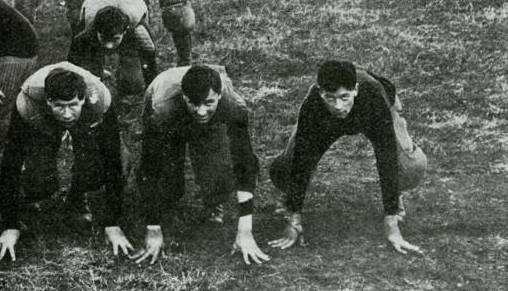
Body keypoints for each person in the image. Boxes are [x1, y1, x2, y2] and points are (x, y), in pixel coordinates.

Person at [268, 60, 427, 255]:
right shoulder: (313, 106)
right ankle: (289, 197)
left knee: (409, 166)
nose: (338, 105)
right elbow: (302, 159)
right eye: (330, 97)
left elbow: (387, 157)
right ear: (320, 93)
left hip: (375, 107)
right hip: (326, 122)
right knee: (286, 167)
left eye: (344, 97)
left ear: (356, 90)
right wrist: (294, 219)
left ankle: (396, 195)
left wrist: (391, 223)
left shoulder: (374, 99)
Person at [0, 64, 130, 262]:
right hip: (41, 117)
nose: (66, 114)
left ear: (82, 99)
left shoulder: (99, 99)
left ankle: (77, 199)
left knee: (102, 166)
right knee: (39, 179)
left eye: (72, 105)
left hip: (87, 114)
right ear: (48, 101)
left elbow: (113, 158)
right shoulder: (28, 102)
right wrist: (10, 225)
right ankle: (23, 205)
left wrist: (112, 223)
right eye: (60, 106)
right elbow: (11, 162)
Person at [132, 65, 268, 266]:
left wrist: (245, 230)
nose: (202, 111)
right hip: (166, 103)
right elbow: (150, 165)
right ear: (185, 97)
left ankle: (214, 203)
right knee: (169, 186)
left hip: (205, 111)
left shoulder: (234, 106)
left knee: (219, 174)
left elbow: (245, 163)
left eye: (208, 102)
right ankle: (162, 203)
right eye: (194, 103)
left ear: (220, 96)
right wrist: (153, 227)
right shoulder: (162, 108)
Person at [67, 0, 159, 99]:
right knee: (91, 78)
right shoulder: (88, 29)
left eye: (115, 39)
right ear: (96, 31)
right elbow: (73, 59)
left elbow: (149, 57)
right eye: (104, 39)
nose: (108, 45)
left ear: (125, 32)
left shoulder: (136, 27)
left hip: (130, 2)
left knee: (134, 84)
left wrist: (152, 89)